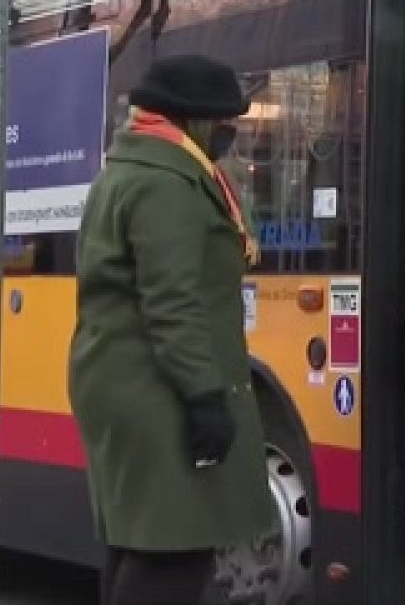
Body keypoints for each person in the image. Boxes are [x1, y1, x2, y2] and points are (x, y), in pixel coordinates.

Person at [69, 54, 273, 605]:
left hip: (128, 379)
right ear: (194, 118)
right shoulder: (166, 184)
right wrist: (204, 395)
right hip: (155, 390)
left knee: (142, 542)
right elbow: (172, 301)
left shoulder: (134, 169)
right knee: (176, 550)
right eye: (224, 119)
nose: (230, 130)